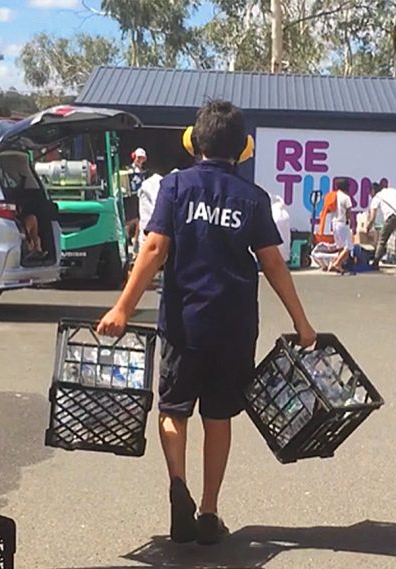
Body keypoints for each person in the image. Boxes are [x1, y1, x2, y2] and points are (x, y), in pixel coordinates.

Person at [96, 100, 316, 545]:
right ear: (243, 150)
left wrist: (122, 308)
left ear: (194, 144)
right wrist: (302, 323)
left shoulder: (175, 188)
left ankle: (179, 485)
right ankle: (209, 512)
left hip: (183, 324)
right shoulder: (252, 199)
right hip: (234, 328)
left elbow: (154, 249)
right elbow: (273, 264)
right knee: (218, 417)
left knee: (174, 410)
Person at [369, 183, 396, 273]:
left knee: (382, 240)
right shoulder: (389, 190)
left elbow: (372, 217)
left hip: (391, 217)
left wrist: (368, 228)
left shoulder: (377, 198)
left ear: (373, 191)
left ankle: (375, 262)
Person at [328, 178, 354, 273]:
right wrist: (351, 224)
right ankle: (336, 264)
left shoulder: (333, 196)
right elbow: (348, 212)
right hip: (342, 223)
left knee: (340, 247)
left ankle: (338, 265)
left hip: (334, 223)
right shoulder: (346, 197)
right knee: (348, 247)